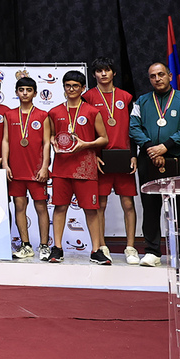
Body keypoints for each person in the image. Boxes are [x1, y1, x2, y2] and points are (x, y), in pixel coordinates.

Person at [129, 61, 180, 266]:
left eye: (161, 74)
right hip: (149, 160)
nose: (157, 79)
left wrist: (165, 147)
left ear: (169, 76)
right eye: (153, 76)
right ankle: (152, 252)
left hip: (179, 159)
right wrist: (152, 148)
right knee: (150, 207)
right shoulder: (141, 102)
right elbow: (134, 128)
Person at [46, 71, 109, 264]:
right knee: (60, 207)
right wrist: (53, 141)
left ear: (83, 88)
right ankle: (57, 248)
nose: (71, 89)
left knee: (91, 209)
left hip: (85, 168)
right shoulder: (54, 112)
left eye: (75, 86)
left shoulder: (92, 111)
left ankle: (96, 250)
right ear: (63, 87)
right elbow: (51, 134)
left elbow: (104, 139)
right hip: (61, 168)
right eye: (68, 85)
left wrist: (86, 144)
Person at [83, 57, 138, 264]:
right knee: (100, 204)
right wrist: (93, 155)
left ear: (114, 73)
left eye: (107, 70)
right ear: (94, 74)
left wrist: (134, 154)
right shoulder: (88, 97)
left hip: (123, 157)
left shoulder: (126, 97)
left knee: (128, 203)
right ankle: (102, 246)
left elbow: (134, 128)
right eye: (99, 71)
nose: (103, 74)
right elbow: (85, 129)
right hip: (101, 159)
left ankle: (130, 247)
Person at [1, 77, 52, 260]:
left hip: (37, 170)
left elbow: (46, 143)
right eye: (21, 89)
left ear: (35, 93)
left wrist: (45, 166)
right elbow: (5, 140)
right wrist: (5, 164)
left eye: (28, 90)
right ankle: (26, 245)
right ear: (16, 92)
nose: (24, 93)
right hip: (16, 170)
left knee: (41, 207)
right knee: (19, 206)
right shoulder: (9, 115)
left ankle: (44, 246)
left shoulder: (43, 115)